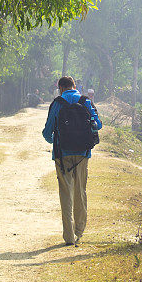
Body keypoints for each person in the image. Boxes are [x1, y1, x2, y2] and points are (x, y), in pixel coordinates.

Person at [42, 76, 102, 246]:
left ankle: (68, 236)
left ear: (60, 87)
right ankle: (79, 231)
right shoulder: (85, 101)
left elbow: (47, 133)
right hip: (83, 154)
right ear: (74, 86)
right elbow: (97, 125)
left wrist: (56, 139)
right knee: (80, 191)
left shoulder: (57, 103)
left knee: (66, 193)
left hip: (62, 155)